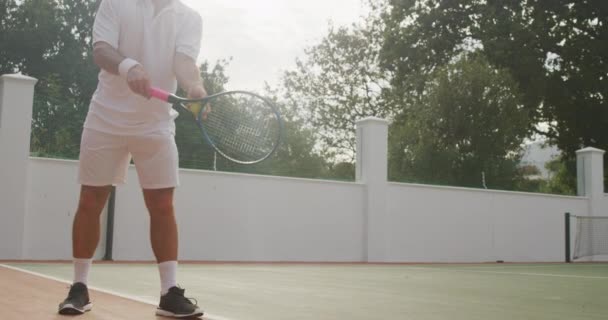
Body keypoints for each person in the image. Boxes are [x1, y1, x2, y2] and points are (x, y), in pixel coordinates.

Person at [58, 0, 206, 318]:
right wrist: (129, 66)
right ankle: (79, 288)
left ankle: (169, 293)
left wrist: (194, 85)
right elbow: (101, 49)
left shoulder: (189, 17)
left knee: (163, 205)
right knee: (90, 200)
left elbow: (184, 60)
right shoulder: (115, 4)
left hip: (156, 124)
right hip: (105, 119)